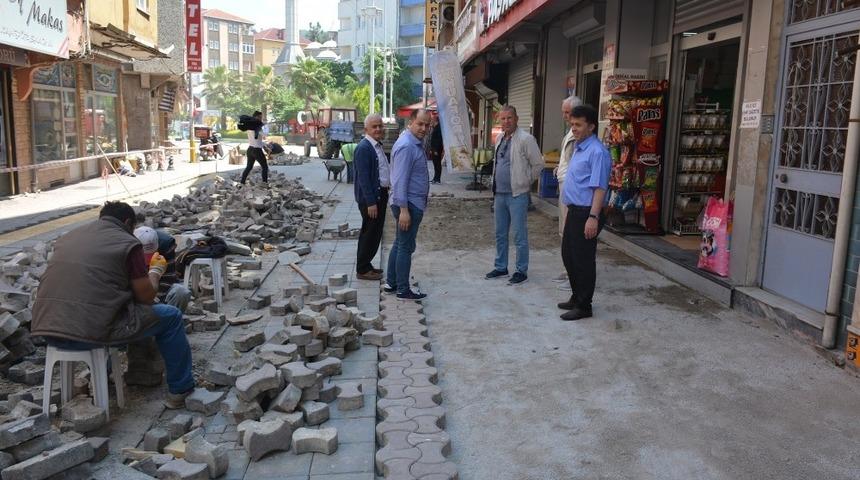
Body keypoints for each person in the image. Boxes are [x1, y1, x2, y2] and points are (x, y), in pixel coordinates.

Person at [31, 201, 195, 408]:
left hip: (49, 329)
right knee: (170, 317)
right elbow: (145, 297)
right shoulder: (127, 242)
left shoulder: (69, 237)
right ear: (128, 223)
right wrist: (155, 272)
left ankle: (103, 375)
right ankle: (181, 390)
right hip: (88, 334)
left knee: (100, 309)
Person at [558, 104, 611, 321]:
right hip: (574, 211)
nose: (574, 129)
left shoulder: (597, 152)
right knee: (568, 255)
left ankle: (584, 305)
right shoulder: (580, 147)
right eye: (572, 124)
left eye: (578, 125)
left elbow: (599, 187)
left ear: (590, 126)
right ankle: (576, 296)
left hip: (587, 213)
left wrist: (593, 217)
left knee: (583, 260)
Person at [485, 105, 545, 285]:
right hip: (500, 194)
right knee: (500, 233)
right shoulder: (500, 138)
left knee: (519, 235)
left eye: (509, 118)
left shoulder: (526, 139)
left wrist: (526, 181)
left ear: (516, 118)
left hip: (517, 194)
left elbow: (538, 165)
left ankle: (521, 270)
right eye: (502, 119)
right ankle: (501, 266)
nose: (506, 122)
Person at [385, 109, 431, 300]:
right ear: (411, 122)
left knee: (400, 243)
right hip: (408, 204)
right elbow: (399, 180)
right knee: (405, 246)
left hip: (410, 203)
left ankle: (392, 282)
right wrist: (404, 210)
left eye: (427, 125)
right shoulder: (407, 146)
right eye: (420, 124)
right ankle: (403, 290)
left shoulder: (413, 143)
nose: (423, 128)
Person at [353, 114, 390, 281]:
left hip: (379, 195)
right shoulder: (364, 148)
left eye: (380, 126)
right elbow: (363, 178)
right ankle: (362, 269)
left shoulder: (376, 146)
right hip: (371, 199)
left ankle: (367, 265)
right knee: (369, 233)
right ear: (366, 129)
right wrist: (371, 202)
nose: (378, 129)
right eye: (374, 126)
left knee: (375, 233)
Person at [133, 225, 192, 313]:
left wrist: (156, 301)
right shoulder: (126, 251)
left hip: (157, 291)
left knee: (181, 292)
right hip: (137, 297)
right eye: (145, 255)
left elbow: (169, 279)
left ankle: (171, 319)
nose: (148, 259)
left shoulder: (166, 245)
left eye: (151, 254)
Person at [240, 110, 268, 184]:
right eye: (260, 117)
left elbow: (258, 139)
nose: (261, 119)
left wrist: (264, 145)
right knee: (265, 167)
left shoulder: (249, 126)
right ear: (256, 117)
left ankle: (242, 182)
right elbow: (265, 135)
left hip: (250, 149)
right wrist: (265, 125)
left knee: (249, 167)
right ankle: (264, 184)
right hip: (257, 150)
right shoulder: (257, 127)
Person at [428, 112, 444, 184]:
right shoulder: (435, 127)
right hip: (434, 148)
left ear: (436, 120)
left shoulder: (439, 128)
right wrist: (432, 149)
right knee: (435, 163)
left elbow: (439, 139)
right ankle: (435, 178)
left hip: (437, 149)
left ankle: (438, 179)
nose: (431, 120)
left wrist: (436, 150)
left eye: (432, 119)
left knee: (437, 164)